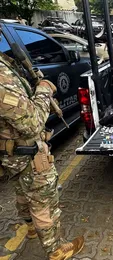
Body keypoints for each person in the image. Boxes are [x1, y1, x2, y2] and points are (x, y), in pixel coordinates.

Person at [0, 29, 84, 259]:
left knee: (21, 189)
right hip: (26, 150)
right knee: (43, 199)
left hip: (12, 152)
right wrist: (45, 90)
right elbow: (32, 124)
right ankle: (56, 249)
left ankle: (30, 229)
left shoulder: (5, 62)